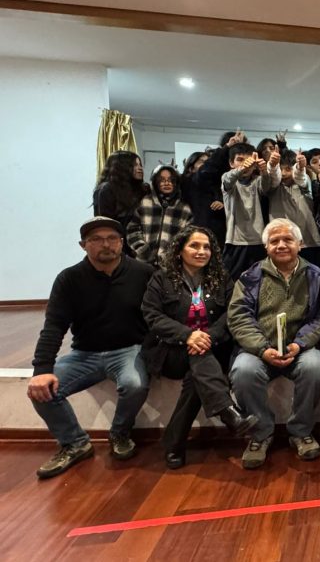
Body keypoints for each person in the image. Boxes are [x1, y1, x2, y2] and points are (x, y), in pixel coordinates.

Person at [27, 217, 154, 479]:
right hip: (84, 354)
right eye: (96, 239)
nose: (105, 244)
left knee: (135, 384)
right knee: (41, 390)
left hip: (129, 350)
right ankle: (74, 443)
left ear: (122, 243)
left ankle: (119, 433)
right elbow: (53, 326)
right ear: (83, 245)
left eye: (112, 238)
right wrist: (42, 368)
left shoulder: (144, 273)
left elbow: (159, 317)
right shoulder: (69, 279)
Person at [141, 225, 258, 469]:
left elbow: (231, 313)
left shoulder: (221, 277)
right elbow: (151, 314)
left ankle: (174, 444)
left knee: (198, 374)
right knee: (201, 359)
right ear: (180, 249)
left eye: (206, 247)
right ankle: (228, 411)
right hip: (171, 350)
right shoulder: (161, 278)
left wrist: (208, 337)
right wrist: (188, 335)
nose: (201, 251)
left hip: (210, 348)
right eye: (194, 245)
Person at [228, 219, 320, 468]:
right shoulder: (250, 277)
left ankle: (301, 432)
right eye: (274, 241)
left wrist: (300, 344)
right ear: (266, 247)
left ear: (300, 244)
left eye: (288, 240)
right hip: (260, 350)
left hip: (300, 349)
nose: (281, 245)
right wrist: (262, 349)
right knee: (243, 371)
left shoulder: (316, 276)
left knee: (315, 367)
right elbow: (239, 317)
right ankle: (260, 434)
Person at [221, 142, 282, 279]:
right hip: (235, 241)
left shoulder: (257, 180)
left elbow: (266, 187)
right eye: (240, 160)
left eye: (249, 160)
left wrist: (265, 171)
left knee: (259, 282)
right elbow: (228, 180)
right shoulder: (227, 178)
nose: (246, 164)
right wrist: (241, 168)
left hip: (258, 242)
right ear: (231, 163)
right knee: (231, 283)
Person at [269, 149, 320, 270]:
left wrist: (300, 168)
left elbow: (301, 177)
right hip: (283, 244)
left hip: (309, 242)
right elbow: (273, 177)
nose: (284, 173)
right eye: (281, 169)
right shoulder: (272, 187)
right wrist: (273, 166)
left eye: (288, 169)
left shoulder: (305, 183)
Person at [126, 164, 193, 266]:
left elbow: (187, 237)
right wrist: (141, 249)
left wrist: (172, 254)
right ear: (155, 183)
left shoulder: (184, 209)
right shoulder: (145, 202)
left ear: (176, 183)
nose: (166, 183)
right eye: (162, 180)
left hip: (171, 265)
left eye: (171, 180)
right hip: (143, 263)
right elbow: (132, 229)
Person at [93, 151, 149, 244]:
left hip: (142, 245)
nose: (140, 169)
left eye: (140, 165)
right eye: (135, 165)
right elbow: (105, 225)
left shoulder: (143, 189)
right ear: (122, 167)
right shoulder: (106, 190)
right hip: (118, 245)